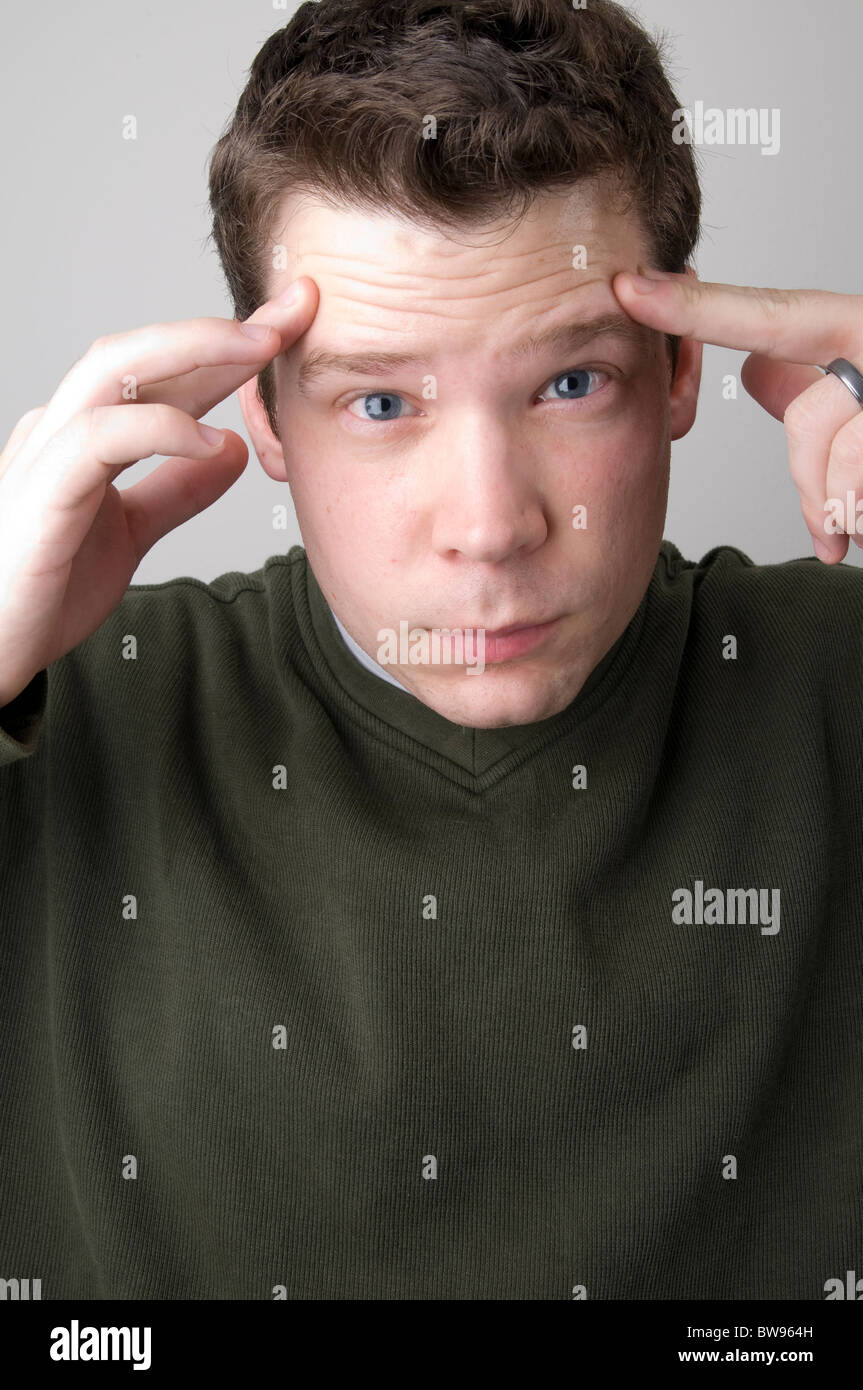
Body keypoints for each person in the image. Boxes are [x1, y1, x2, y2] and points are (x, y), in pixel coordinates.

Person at [1, 0, 862, 1302]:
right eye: (382, 400)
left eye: (572, 382)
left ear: (680, 370)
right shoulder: (63, 714)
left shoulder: (836, 684)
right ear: (271, 420)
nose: (491, 525)